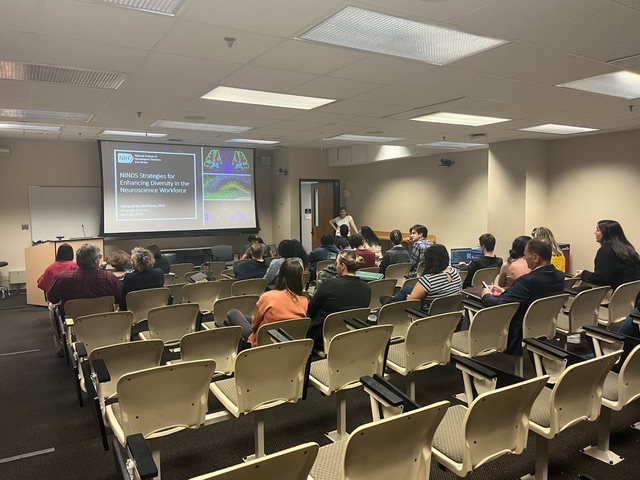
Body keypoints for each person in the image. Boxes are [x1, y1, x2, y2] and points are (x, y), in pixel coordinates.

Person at [481, 239, 565, 355]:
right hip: (544, 323)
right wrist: (505, 291)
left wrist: (485, 294)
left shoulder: (527, 281)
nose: (524, 259)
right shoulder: (559, 276)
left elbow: (500, 306)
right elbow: (532, 294)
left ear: (536, 258)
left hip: (519, 329)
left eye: (526, 255)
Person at [225, 259, 308, 347]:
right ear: (300, 278)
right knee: (246, 317)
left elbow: (254, 326)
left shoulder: (268, 297)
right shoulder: (304, 300)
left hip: (263, 340)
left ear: (280, 275)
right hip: (289, 339)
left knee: (233, 313)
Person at [307, 250, 371, 351]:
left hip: (322, 338)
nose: (336, 266)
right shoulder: (367, 288)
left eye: (337, 263)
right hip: (352, 335)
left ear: (343, 266)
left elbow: (310, 311)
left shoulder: (329, 285)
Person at [47, 243, 122, 316]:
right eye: (100, 257)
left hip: (72, 322)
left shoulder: (61, 279)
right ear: (96, 260)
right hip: (103, 321)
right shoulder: (110, 278)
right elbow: (118, 299)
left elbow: (52, 299)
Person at [575, 220, 640, 291]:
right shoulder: (628, 249)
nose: (595, 233)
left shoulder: (606, 251)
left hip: (613, 295)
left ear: (606, 233)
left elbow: (601, 280)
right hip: (630, 296)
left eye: (597, 230)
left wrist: (583, 273)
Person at [37, 243, 78, 353]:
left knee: (52, 308)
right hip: (75, 300)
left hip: (58, 302)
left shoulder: (51, 267)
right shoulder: (74, 265)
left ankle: (60, 345)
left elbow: (42, 284)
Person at [406, 244, 462, 310]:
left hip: (429, 317)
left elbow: (409, 302)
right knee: (406, 289)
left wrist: (409, 298)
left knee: (403, 295)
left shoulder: (427, 280)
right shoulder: (454, 272)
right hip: (453, 315)